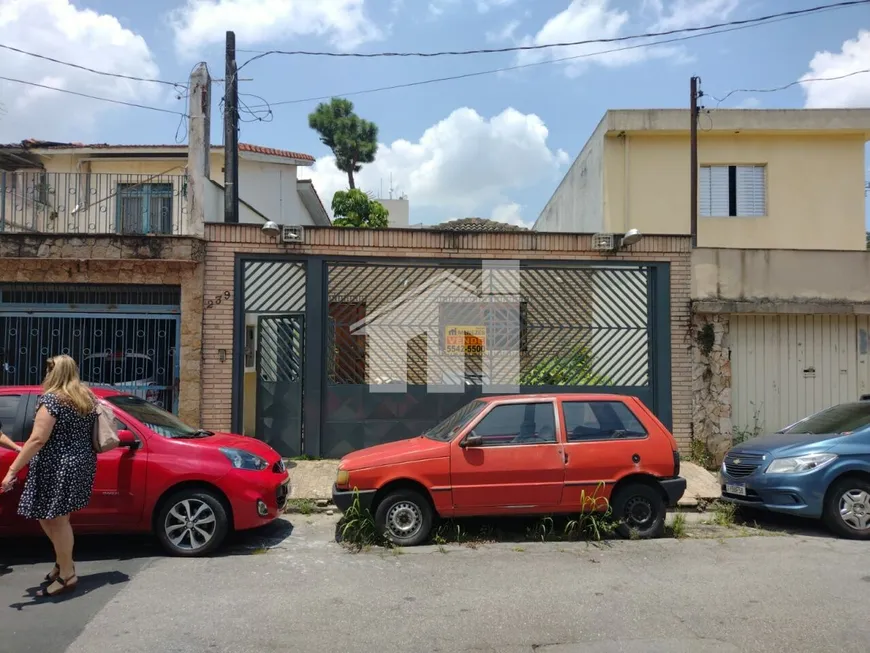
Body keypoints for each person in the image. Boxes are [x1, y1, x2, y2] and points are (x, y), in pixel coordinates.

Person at [0, 355, 98, 598]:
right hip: (80, 462)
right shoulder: (86, 398)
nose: (45, 374)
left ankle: (68, 574)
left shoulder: (53, 399)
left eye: (48, 370)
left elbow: (37, 439)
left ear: (55, 373)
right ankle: (62, 563)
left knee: (57, 520)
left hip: (58, 466)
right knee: (51, 518)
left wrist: (12, 470)